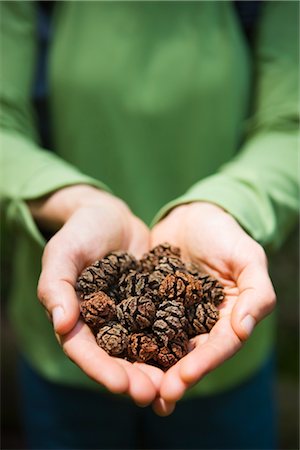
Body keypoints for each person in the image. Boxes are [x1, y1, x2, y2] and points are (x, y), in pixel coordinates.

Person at [1, 1, 298, 449]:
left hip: (225, 346)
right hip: (64, 340)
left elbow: (291, 126)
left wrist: (229, 204)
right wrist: (71, 199)